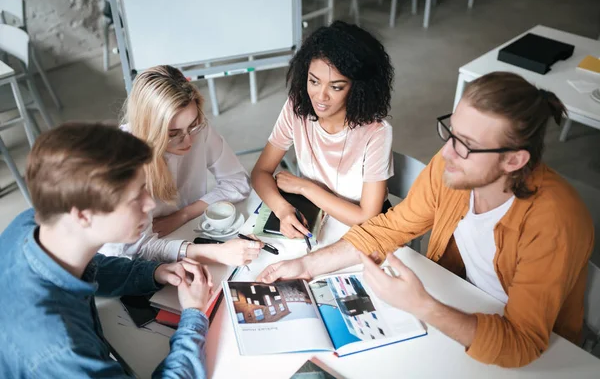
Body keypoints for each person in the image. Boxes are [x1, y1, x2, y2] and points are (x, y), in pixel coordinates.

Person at [256, 72, 594, 368]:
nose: (446, 152)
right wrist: (307, 265)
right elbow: (391, 227)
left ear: (514, 160)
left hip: (522, 350)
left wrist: (422, 305)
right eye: (452, 133)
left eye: (466, 145)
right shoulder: (454, 170)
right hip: (458, 304)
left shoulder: (555, 220)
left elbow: (522, 342)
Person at [0, 123, 214, 377]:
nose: (149, 203)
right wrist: (193, 317)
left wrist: (154, 272)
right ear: (83, 215)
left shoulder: (38, 223)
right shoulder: (62, 349)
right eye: (136, 196)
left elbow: (92, 266)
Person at [100, 65, 261, 265]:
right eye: (173, 134)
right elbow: (136, 249)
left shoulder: (196, 127)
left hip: (182, 232)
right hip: (129, 262)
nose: (188, 142)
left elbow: (237, 181)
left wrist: (183, 215)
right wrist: (213, 252)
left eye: (192, 126)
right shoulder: (124, 159)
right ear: (149, 128)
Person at [251, 20, 395, 239]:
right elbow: (261, 172)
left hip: (361, 231)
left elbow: (366, 217)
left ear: (358, 88)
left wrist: (304, 187)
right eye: (314, 81)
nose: (320, 96)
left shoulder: (376, 133)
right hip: (316, 215)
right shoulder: (296, 106)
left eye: (336, 87)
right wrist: (282, 209)